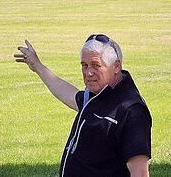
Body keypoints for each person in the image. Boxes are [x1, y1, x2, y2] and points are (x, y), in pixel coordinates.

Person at [14, 35, 152, 177]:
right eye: (84, 65)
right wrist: (37, 66)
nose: (88, 73)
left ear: (116, 66)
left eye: (96, 65)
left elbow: (140, 173)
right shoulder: (97, 94)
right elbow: (67, 93)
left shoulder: (131, 110)